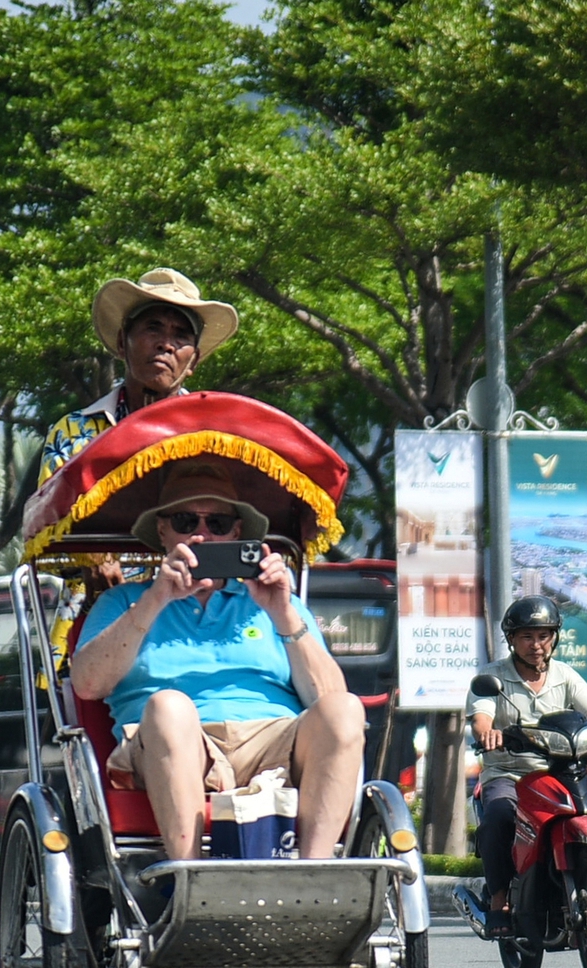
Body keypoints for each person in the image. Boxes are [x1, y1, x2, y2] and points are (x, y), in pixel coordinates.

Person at [69, 460, 363, 863]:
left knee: (345, 708)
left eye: (218, 524)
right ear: (163, 531)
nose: (202, 535)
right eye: (186, 521)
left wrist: (283, 613)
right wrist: (156, 598)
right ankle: (187, 875)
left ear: (237, 532)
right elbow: (87, 684)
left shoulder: (278, 603)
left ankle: (314, 873)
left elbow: (330, 703)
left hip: (273, 740)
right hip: (170, 741)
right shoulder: (124, 602)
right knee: (170, 706)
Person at [40, 269, 242, 669]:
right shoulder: (73, 432)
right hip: (94, 621)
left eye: (181, 335)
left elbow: (234, 529)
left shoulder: (215, 434)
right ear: (122, 342)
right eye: (153, 328)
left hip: (199, 623)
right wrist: (92, 561)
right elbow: (41, 542)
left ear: (194, 361)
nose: (166, 344)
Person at [466, 596, 587, 932]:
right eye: (527, 637)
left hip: (559, 772)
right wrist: (488, 734)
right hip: (509, 773)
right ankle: (500, 899)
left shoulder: (566, 676)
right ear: (512, 639)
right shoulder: (492, 677)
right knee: (500, 816)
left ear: (555, 638)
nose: (536, 645)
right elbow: (481, 718)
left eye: (544, 636)